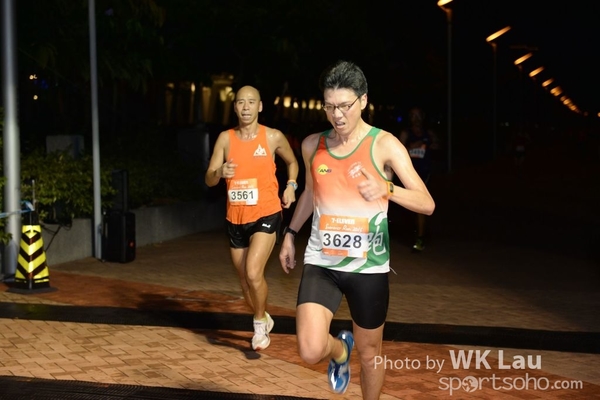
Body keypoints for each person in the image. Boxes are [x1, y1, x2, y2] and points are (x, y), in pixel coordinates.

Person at [278, 61, 435, 399]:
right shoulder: (312, 145)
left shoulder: (385, 144)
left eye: (344, 106)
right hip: (322, 261)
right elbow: (310, 193)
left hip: (368, 267)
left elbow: (426, 203)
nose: (337, 115)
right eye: (329, 106)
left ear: (363, 100)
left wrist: (386, 188)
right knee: (309, 349)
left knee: (370, 353)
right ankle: (339, 351)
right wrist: (290, 234)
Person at [205, 85, 299, 351]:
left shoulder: (272, 136)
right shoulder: (225, 139)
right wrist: (219, 172)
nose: (245, 107)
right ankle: (263, 315)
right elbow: (209, 178)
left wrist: (291, 185)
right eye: (240, 102)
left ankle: (259, 326)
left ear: (260, 106)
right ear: (235, 107)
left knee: (253, 272)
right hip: (236, 217)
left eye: (251, 102)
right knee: (245, 281)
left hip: (266, 212)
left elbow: (292, 162)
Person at [399, 107, 440, 252]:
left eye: (418, 115)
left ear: (423, 117)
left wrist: (430, 144)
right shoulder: (406, 133)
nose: (416, 119)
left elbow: (437, 145)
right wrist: (410, 148)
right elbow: (397, 152)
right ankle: (414, 232)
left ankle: (420, 238)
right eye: (413, 115)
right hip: (408, 174)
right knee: (408, 206)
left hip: (424, 173)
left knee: (421, 205)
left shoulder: (428, 133)